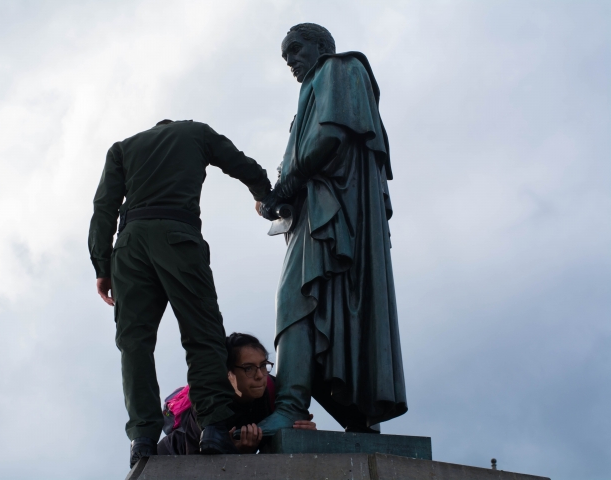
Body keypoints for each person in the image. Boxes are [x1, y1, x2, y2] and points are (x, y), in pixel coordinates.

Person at [88, 120, 272, 467]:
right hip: (178, 236)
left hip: (129, 248)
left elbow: (103, 207)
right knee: (202, 334)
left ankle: (142, 438)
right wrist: (263, 191)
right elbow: (239, 163)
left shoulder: (122, 148)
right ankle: (213, 427)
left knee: (135, 343)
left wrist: (102, 266)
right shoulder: (197, 133)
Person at [254, 23, 407, 437]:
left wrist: (284, 187)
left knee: (295, 299)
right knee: (320, 305)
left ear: (321, 46)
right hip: (317, 213)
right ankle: (356, 411)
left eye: (295, 49)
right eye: (285, 55)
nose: (289, 60)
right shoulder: (312, 90)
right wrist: (280, 199)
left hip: (336, 215)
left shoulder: (339, 69)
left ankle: (290, 406)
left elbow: (329, 136)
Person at [158, 333, 316, 455]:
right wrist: (234, 451)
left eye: (263, 365)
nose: (260, 375)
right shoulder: (207, 402)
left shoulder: (273, 390)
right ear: (228, 373)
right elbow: (197, 465)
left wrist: (300, 434)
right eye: (249, 368)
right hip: (169, 460)